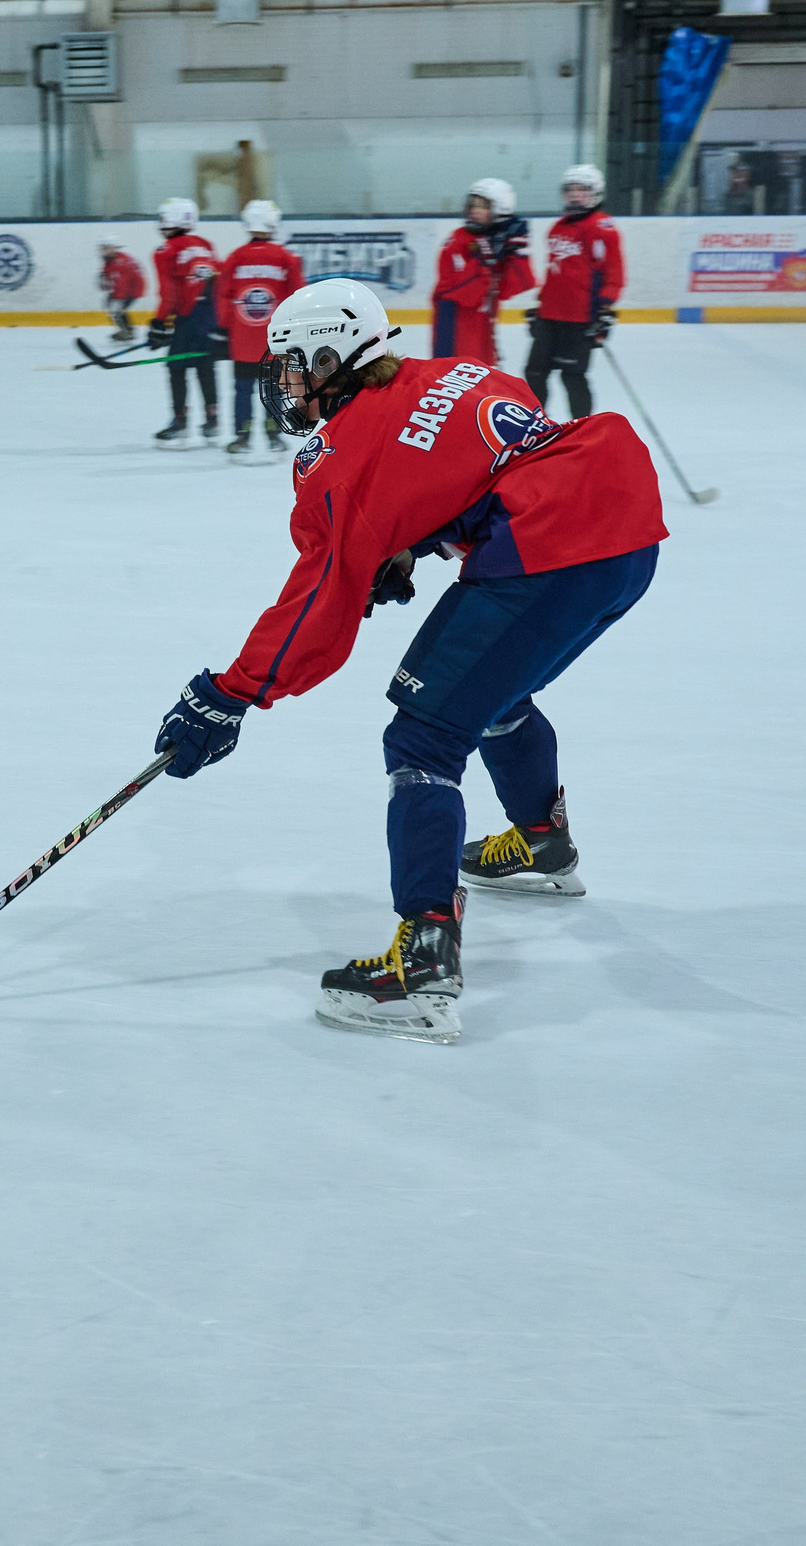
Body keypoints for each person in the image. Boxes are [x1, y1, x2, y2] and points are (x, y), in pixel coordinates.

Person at [151, 278, 666, 1043]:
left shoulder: (337, 457)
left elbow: (319, 603)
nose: (286, 383)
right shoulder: (454, 368)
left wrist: (228, 693)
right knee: (489, 690)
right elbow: (489, 445)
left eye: (294, 365)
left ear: (333, 356)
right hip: (625, 532)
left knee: (424, 738)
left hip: (549, 552)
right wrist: (417, 534)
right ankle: (539, 837)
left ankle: (422, 959)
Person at [527, 163, 626, 417]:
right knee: (534, 372)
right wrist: (541, 305)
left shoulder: (602, 227)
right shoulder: (558, 227)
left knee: (572, 377)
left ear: (595, 193)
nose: (574, 194)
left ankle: (582, 431)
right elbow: (555, 271)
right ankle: (537, 428)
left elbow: (614, 274)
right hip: (550, 316)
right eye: (570, 189)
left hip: (580, 318)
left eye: (581, 189)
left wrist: (604, 309)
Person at [212, 199, 306, 462]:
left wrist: (222, 328)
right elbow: (298, 295)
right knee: (274, 388)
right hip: (275, 340)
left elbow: (223, 295)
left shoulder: (236, 257)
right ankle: (274, 435)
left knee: (242, 388)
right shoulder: (286, 258)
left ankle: (242, 435)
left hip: (242, 338)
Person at [433, 177, 536, 365]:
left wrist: (518, 253)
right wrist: (484, 261)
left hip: (484, 332)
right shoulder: (458, 240)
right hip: (454, 329)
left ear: (500, 210)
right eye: (472, 205)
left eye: (482, 206)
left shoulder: (495, 241)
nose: (474, 210)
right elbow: (454, 292)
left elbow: (513, 287)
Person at [148, 197, 224, 449]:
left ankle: (180, 420)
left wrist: (159, 322)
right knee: (205, 366)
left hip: (189, 317)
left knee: (176, 368)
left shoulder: (166, 250)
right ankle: (212, 419)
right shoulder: (205, 244)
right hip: (209, 314)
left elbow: (169, 293)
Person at [96, 237, 146, 343]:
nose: (102, 251)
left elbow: (122, 283)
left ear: (114, 248)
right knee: (114, 307)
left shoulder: (120, 263)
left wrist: (118, 299)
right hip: (126, 289)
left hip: (132, 290)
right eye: (101, 248)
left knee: (116, 310)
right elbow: (111, 279)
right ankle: (128, 330)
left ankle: (127, 332)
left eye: (106, 248)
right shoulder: (111, 260)